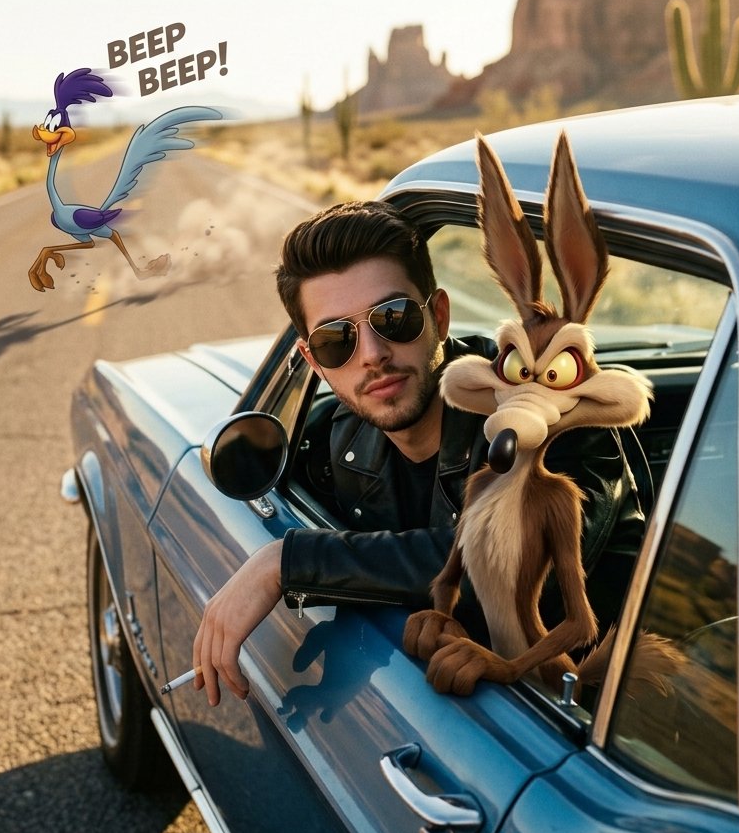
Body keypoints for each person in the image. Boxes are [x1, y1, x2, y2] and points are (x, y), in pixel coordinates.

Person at [193, 200, 644, 706]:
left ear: (440, 316)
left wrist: (284, 560)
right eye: (335, 339)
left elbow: (498, 559)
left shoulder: (551, 418)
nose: (371, 354)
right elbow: (259, 469)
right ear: (313, 363)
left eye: (394, 317)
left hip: (607, 720)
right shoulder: (335, 441)